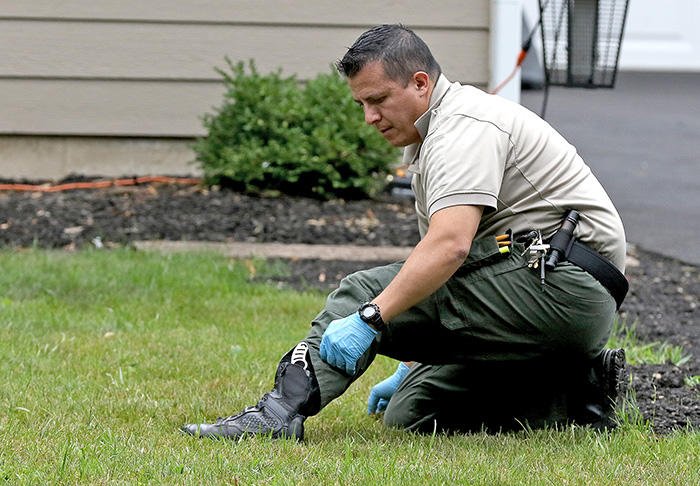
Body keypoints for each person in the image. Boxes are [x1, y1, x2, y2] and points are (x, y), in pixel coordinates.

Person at [181, 24, 629, 440]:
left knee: (363, 292)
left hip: (561, 284)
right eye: (361, 104)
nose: (369, 118)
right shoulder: (432, 138)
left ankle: (278, 415)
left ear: (421, 83)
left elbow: (450, 247)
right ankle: (576, 393)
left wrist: (370, 316)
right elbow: (447, 276)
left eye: (377, 100)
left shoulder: (464, 127)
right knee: (413, 409)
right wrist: (412, 365)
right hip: (535, 293)